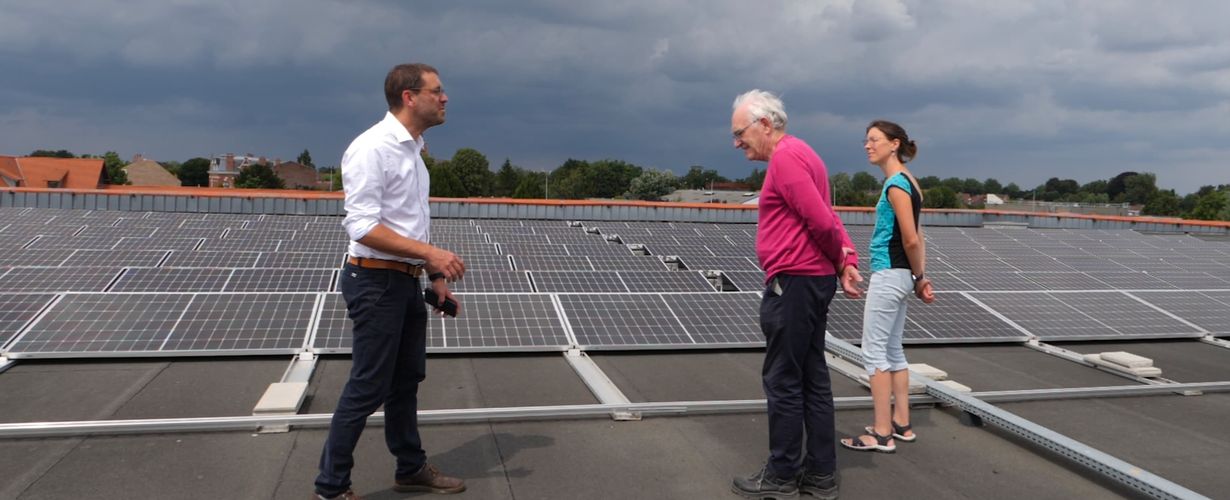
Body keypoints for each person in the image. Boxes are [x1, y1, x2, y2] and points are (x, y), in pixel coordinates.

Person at [314, 63, 467, 500]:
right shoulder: (372, 148)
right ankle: (330, 488)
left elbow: (409, 226)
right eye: (437, 91)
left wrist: (435, 274)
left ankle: (410, 466)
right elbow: (361, 227)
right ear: (408, 96)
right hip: (374, 283)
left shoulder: (414, 151)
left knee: (405, 381)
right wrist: (432, 254)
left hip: (403, 283)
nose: (445, 98)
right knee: (368, 386)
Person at [729, 90, 863, 500]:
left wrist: (843, 261)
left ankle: (783, 474)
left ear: (765, 124)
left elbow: (820, 219)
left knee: (783, 380)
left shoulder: (785, 159)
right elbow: (828, 215)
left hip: (795, 283)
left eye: (740, 132)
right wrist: (846, 258)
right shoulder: (804, 153)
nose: (737, 142)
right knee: (812, 378)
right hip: (812, 280)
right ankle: (820, 475)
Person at [840, 120, 935, 455]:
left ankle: (881, 433)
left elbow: (910, 237)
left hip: (889, 273)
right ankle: (901, 423)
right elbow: (919, 237)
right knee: (893, 350)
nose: (867, 145)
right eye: (866, 140)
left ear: (894, 144)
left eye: (874, 140)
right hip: (903, 276)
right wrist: (919, 277)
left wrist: (919, 273)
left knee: (874, 352)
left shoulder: (896, 185)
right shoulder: (910, 183)